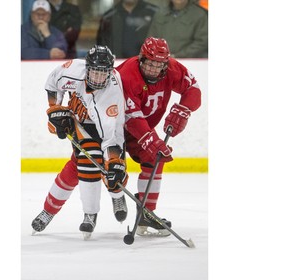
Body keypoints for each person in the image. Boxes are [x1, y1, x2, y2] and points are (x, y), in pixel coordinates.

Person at [31, 45, 129, 239]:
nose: (99, 78)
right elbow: (52, 84)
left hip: (107, 127)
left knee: (111, 170)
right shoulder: (72, 70)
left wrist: (115, 163)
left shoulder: (113, 95)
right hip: (80, 121)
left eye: (104, 73)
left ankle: (117, 195)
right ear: (87, 67)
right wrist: (55, 110)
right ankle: (90, 214)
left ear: (111, 72)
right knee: (88, 160)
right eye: (95, 72)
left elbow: (112, 137)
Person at [115, 37, 202, 236]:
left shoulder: (171, 68)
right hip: (113, 130)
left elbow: (193, 88)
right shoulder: (127, 74)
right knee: (87, 167)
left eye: (159, 64)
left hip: (140, 127)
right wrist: (148, 138)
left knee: (155, 156)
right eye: (150, 63)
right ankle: (66, 212)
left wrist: (184, 109)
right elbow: (131, 115)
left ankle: (147, 213)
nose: (155, 69)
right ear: (141, 59)